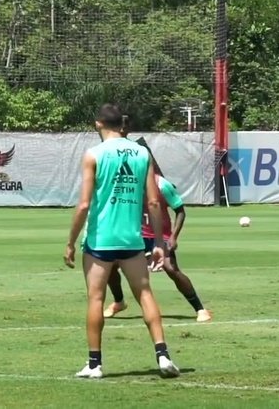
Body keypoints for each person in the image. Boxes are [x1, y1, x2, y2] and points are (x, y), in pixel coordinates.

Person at [63, 104, 180, 379]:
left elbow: (83, 205)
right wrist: (160, 244)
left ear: (98, 124)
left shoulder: (93, 154)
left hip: (100, 240)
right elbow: (153, 201)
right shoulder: (142, 153)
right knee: (145, 294)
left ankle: (95, 364)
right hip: (132, 240)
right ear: (122, 125)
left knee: (95, 298)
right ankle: (163, 356)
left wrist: (70, 242)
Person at [105, 141, 212, 323]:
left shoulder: (162, 185)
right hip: (135, 235)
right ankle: (119, 302)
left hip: (158, 236)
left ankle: (201, 309)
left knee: (171, 269)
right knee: (110, 265)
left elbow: (180, 211)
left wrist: (173, 237)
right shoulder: (127, 183)